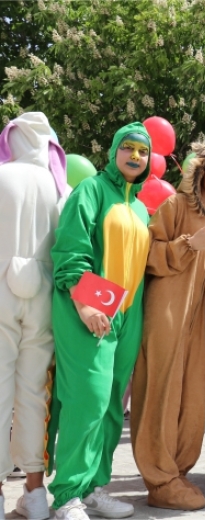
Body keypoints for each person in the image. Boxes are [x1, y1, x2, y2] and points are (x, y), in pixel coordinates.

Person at [130, 140, 205, 509]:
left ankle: (177, 471)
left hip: (197, 316)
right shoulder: (175, 205)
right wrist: (188, 244)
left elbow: (201, 275)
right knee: (162, 392)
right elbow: (148, 255)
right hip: (165, 310)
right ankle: (160, 478)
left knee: (192, 395)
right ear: (201, 171)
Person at [48, 122, 152, 520]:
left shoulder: (141, 207)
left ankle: (93, 486)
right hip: (86, 312)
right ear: (113, 152)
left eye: (142, 151)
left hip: (126, 318)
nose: (135, 156)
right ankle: (65, 495)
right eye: (128, 148)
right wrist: (85, 306)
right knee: (86, 401)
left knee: (110, 405)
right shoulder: (90, 190)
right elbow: (71, 248)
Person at [0, 113, 69, 520]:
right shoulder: (62, 188)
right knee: (33, 394)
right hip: (42, 297)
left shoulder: (1, 177)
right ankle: (35, 492)